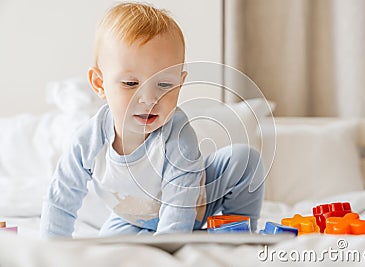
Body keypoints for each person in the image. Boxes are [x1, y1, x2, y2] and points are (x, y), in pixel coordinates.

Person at [40, 2, 265, 237]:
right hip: (134, 219)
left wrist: (167, 244)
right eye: (130, 83)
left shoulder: (177, 134)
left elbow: (180, 204)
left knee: (243, 159)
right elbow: (61, 198)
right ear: (99, 84)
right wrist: (51, 249)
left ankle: (237, 231)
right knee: (111, 244)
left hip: (199, 201)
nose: (148, 99)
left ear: (180, 82)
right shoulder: (88, 140)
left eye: (164, 85)